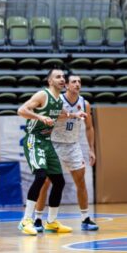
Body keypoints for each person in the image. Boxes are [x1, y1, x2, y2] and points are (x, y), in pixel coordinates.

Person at [35, 75, 98, 232]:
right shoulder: (57, 101)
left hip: (73, 145)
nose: (77, 84)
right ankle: (37, 219)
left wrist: (91, 149)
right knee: (45, 182)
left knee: (81, 182)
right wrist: (72, 115)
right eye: (74, 82)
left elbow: (89, 127)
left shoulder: (85, 104)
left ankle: (85, 218)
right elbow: (51, 117)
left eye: (79, 82)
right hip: (54, 144)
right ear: (67, 86)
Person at [17, 69, 76, 235]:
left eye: (63, 77)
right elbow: (21, 110)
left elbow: (60, 114)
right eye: (58, 77)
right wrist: (40, 117)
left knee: (59, 181)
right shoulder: (42, 95)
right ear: (50, 81)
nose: (62, 79)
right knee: (41, 176)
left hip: (47, 142)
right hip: (34, 139)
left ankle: (51, 222)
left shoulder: (59, 100)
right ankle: (26, 220)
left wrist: (74, 114)